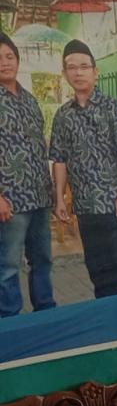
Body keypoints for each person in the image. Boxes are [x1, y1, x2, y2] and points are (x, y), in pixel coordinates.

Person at [50, 39, 117, 298]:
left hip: (113, 205)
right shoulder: (63, 115)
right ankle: (106, 316)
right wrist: (60, 198)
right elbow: (59, 159)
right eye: (72, 67)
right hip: (85, 207)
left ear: (95, 71)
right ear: (64, 74)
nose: (78, 72)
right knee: (97, 269)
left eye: (84, 67)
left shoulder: (113, 108)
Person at [0, 31, 55, 318]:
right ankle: (9, 320)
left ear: (18, 60)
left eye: (9, 56)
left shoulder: (30, 100)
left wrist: (52, 188)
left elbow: (39, 145)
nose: (5, 62)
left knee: (42, 259)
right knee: (8, 266)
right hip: (10, 201)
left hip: (40, 196)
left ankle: (45, 312)